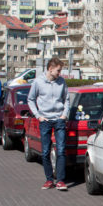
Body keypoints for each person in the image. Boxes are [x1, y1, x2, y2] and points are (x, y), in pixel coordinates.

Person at [27, 57, 70, 191]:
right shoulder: (38, 82)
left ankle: (61, 180)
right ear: (50, 69)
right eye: (58, 70)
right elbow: (30, 99)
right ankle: (49, 179)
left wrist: (64, 114)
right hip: (45, 120)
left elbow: (66, 99)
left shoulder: (61, 82)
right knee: (45, 151)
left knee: (61, 149)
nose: (59, 73)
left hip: (59, 119)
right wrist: (38, 116)